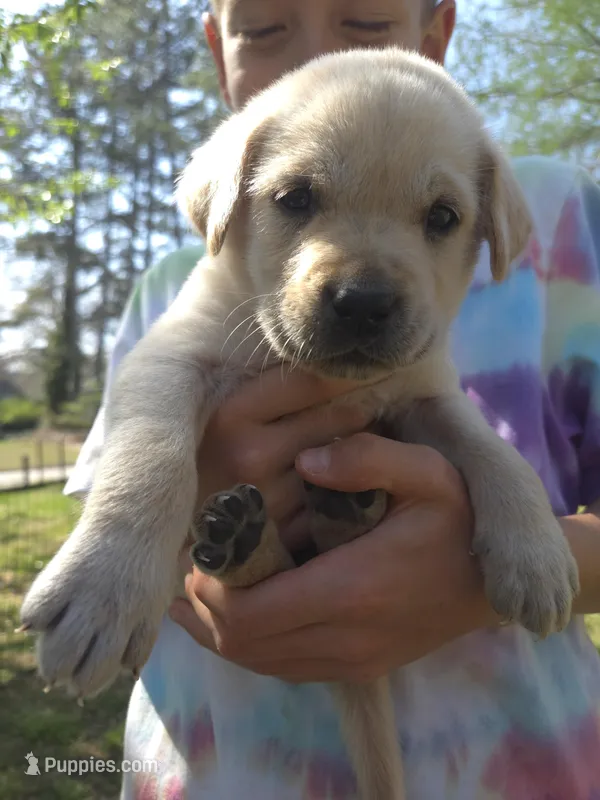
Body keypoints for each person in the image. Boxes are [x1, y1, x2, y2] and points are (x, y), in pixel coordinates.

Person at [65, 1, 600, 797]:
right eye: (298, 199)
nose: (363, 284)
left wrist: (504, 533)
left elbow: (447, 417)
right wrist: (131, 530)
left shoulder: (567, 230)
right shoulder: (180, 292)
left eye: (439, 217)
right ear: (230, 192)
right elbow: (162, 382)